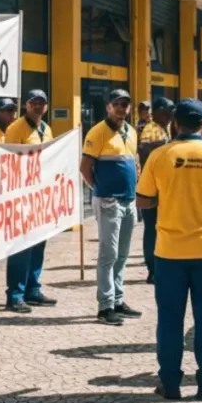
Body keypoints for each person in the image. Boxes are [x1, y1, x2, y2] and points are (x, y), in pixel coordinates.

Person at [137, 99, 202, 401]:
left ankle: (170, 384)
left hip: (169, 251)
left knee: (170, 319)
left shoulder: (159, 156)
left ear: (175, 123)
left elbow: (144, 201)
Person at [81, 89, 143, 325]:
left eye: (125, 104)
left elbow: (134, 160)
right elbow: (85, 166)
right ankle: (105, 306)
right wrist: (99, 189)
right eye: (117, 104)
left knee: (123, 254)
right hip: (108, 200)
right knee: (108, 254)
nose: (121, 109)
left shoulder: (131, 131)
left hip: (128, 200)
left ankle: (118, 299)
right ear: (108, 106)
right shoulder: (98, 132)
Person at [4, 89, 58, 312]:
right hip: (22, 196)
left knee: (38, 244)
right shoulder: (16, 128)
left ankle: (32, 288)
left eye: (42, 103)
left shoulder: (46, 128)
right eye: (34, 102)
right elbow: (10, 159)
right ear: (26, 105)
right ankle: (15, 294)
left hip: (41, 197)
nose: (38, 107)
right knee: (20, 247)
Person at [138, 97, 174, 284]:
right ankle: (152, 269)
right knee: (151, 228)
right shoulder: (152, 129)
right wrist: (165, 147)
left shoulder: (163, 127)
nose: (171, 114)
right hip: (152, 187)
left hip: (162, 186)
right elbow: (144, 150)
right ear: (159, 111)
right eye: (168, 110)